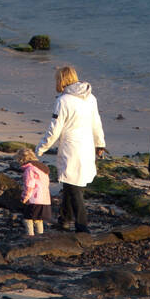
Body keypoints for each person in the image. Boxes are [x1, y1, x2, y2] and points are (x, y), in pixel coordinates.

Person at [34, 65, 107, 233]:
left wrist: (40, 149)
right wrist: (100, 144)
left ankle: (82, 226)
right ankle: (65, 220)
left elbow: (54, 129)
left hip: (72, 148)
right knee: (69, 184)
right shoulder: (90, 98)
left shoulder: (63, 101)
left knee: (74, 188)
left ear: (61, 80)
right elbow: (96, 123)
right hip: (87, 146)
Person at [18, 148, 52, 236]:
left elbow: (29, 186)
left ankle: (30, 236)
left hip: (34, 199)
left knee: (27, 219)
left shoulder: (29, 170)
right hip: (45, 200)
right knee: (38, 220)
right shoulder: (43, 169)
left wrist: (24, 198)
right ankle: (40, 237)